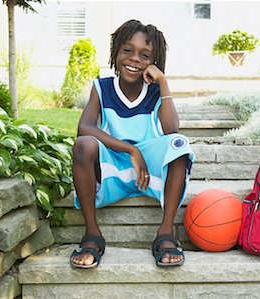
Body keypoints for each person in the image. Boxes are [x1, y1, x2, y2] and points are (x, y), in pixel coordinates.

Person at [69, 19, 194, 269]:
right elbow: (85, 128)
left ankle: (166, 232)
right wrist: (130, 149)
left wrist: (164, 83)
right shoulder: (102, 87)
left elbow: (171, 130)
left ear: (155, 61)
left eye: (145, 55)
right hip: (112, 168)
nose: (135, 59)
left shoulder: (157, 91)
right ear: (115, 52)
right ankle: (92, 235)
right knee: (84, 144)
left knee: (180, 145)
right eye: (127, 50)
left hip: (149, 173)